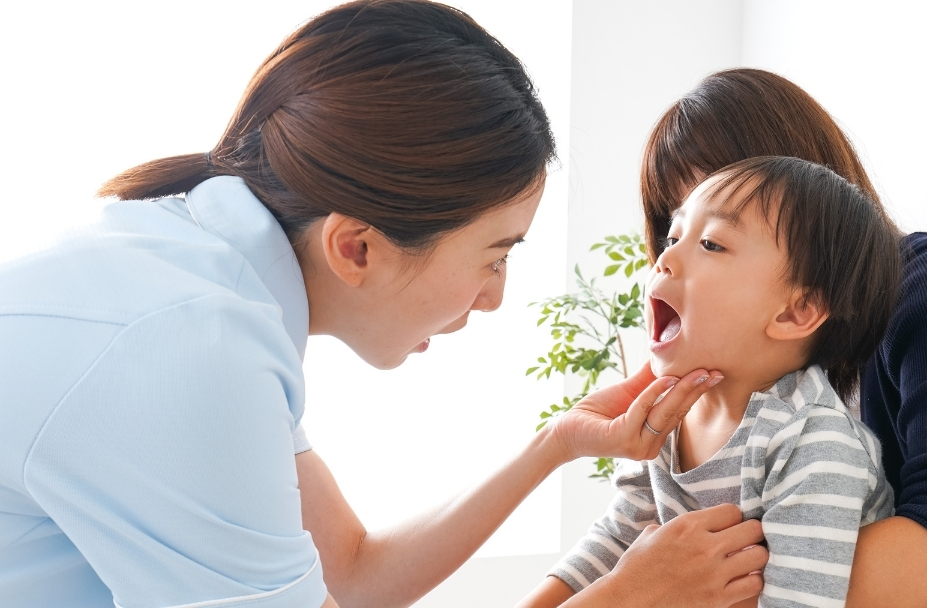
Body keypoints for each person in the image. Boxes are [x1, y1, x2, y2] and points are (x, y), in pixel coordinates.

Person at [0, 3, 769, 607]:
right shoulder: (191, 349)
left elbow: (356, 575)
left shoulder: (199, 277)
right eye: (495, 255)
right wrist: (629, 598)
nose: (496, 296)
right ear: (357, 248)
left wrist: (558, 443)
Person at [633, 68, 927, 607]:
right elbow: (638, 532)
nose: (672, 258)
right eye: (674, 227)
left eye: (716, 235)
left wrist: (676, 590)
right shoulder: (753, 384)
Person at [520, 156, 902, 607]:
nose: (665, 259)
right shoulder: (668, 414)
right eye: (673, 237)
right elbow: (616, 541)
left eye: (711, 244)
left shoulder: (813, 443)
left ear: (794, 312)